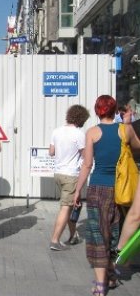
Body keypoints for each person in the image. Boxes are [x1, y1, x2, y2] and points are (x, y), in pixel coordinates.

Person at [73, 95, 140, 295]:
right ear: (114, 111)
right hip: (120, 190)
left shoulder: (92, 132)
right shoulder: (125, 130)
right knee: (114, 233)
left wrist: (77, 190)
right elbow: (138, 146)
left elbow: (87, 164)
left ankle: (100, 284)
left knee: (97, 234)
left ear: (97, 110)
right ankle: (111, 274)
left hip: (98, 189)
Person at [48, 104, 90, 251]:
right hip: (71, 175)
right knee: (66, 208)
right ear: (82, 119)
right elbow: (86, 157)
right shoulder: (79, 134)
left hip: (58, 173)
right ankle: (55, 241)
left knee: (71, 205)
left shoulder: (57, 131)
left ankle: (73, 235)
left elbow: (51, 152)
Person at [117, 115, 140, 252]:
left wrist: (120, 252)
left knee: (129, 214)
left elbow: (135, 215)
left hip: (128, 175)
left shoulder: (132, 127)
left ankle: (120, 251)